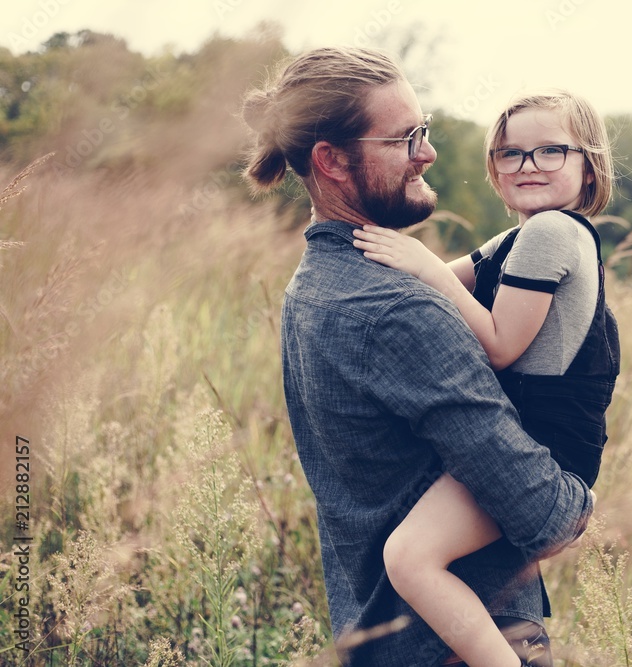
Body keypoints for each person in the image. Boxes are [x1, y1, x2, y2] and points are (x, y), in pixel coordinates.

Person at [241, 47, 593, 666]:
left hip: (375, 633)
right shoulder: (401, 310)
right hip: (453, 646)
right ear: (331, 159)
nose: (427, 153)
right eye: (406, 137)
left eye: (423, 131)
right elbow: (543, 514)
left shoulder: (315, 284)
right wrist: (578, 500)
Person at [352, 90, 620, 667]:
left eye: (550, 151)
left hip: (544, 455)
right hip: (529, 442)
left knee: (410, 557)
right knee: (414, 553)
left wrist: (421, 261)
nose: (527, 166)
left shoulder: (552, 232)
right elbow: (436, 287)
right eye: (509, 154)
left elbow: (499, 345)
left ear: (588, 163)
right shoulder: (521, 238)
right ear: (494, 169)